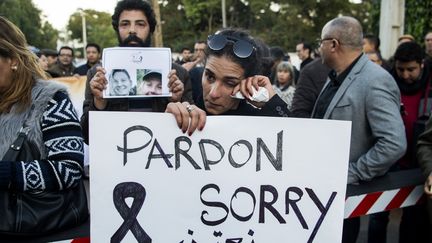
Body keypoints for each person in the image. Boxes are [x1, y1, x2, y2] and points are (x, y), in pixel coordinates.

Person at [312, 16, 406, 243]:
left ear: (333, 44)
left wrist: (352, 173)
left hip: (344, 197)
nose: (318, 47)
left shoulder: (375, 80)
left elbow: (394, 143)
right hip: (320, 190)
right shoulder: (336, 76)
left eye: (321, 42)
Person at [0, 16, 86, 232]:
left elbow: (69, 169)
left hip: (36, 228)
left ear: (13, 60)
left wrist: (8, 174)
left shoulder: (50, 100)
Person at [81, 0, 192, 144]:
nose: (132, 30)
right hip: (116, 156)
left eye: (140, 24)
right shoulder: (98, 75)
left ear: (150, 29)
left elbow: (190, 131)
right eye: (125, 24)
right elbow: (87, 137)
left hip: (162, 156)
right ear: (117, 29)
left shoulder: (178, 74)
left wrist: (177, 102)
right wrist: (99, 102)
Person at [165, 28, 290, 135]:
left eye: (230, 83)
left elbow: (295, 143)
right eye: (210, 77)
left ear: (248, 82)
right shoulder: (190, 94)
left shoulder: (257, 121)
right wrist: (167, 121)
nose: (214, 94)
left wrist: (271, 103)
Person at [368, 41, 431, 243]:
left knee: (412, 219)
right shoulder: (384, 82)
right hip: (388, 159)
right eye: (401, 69)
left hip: (419, 162)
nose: (405, 75)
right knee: (377, 215)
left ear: (421, 64)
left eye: (411, 69)